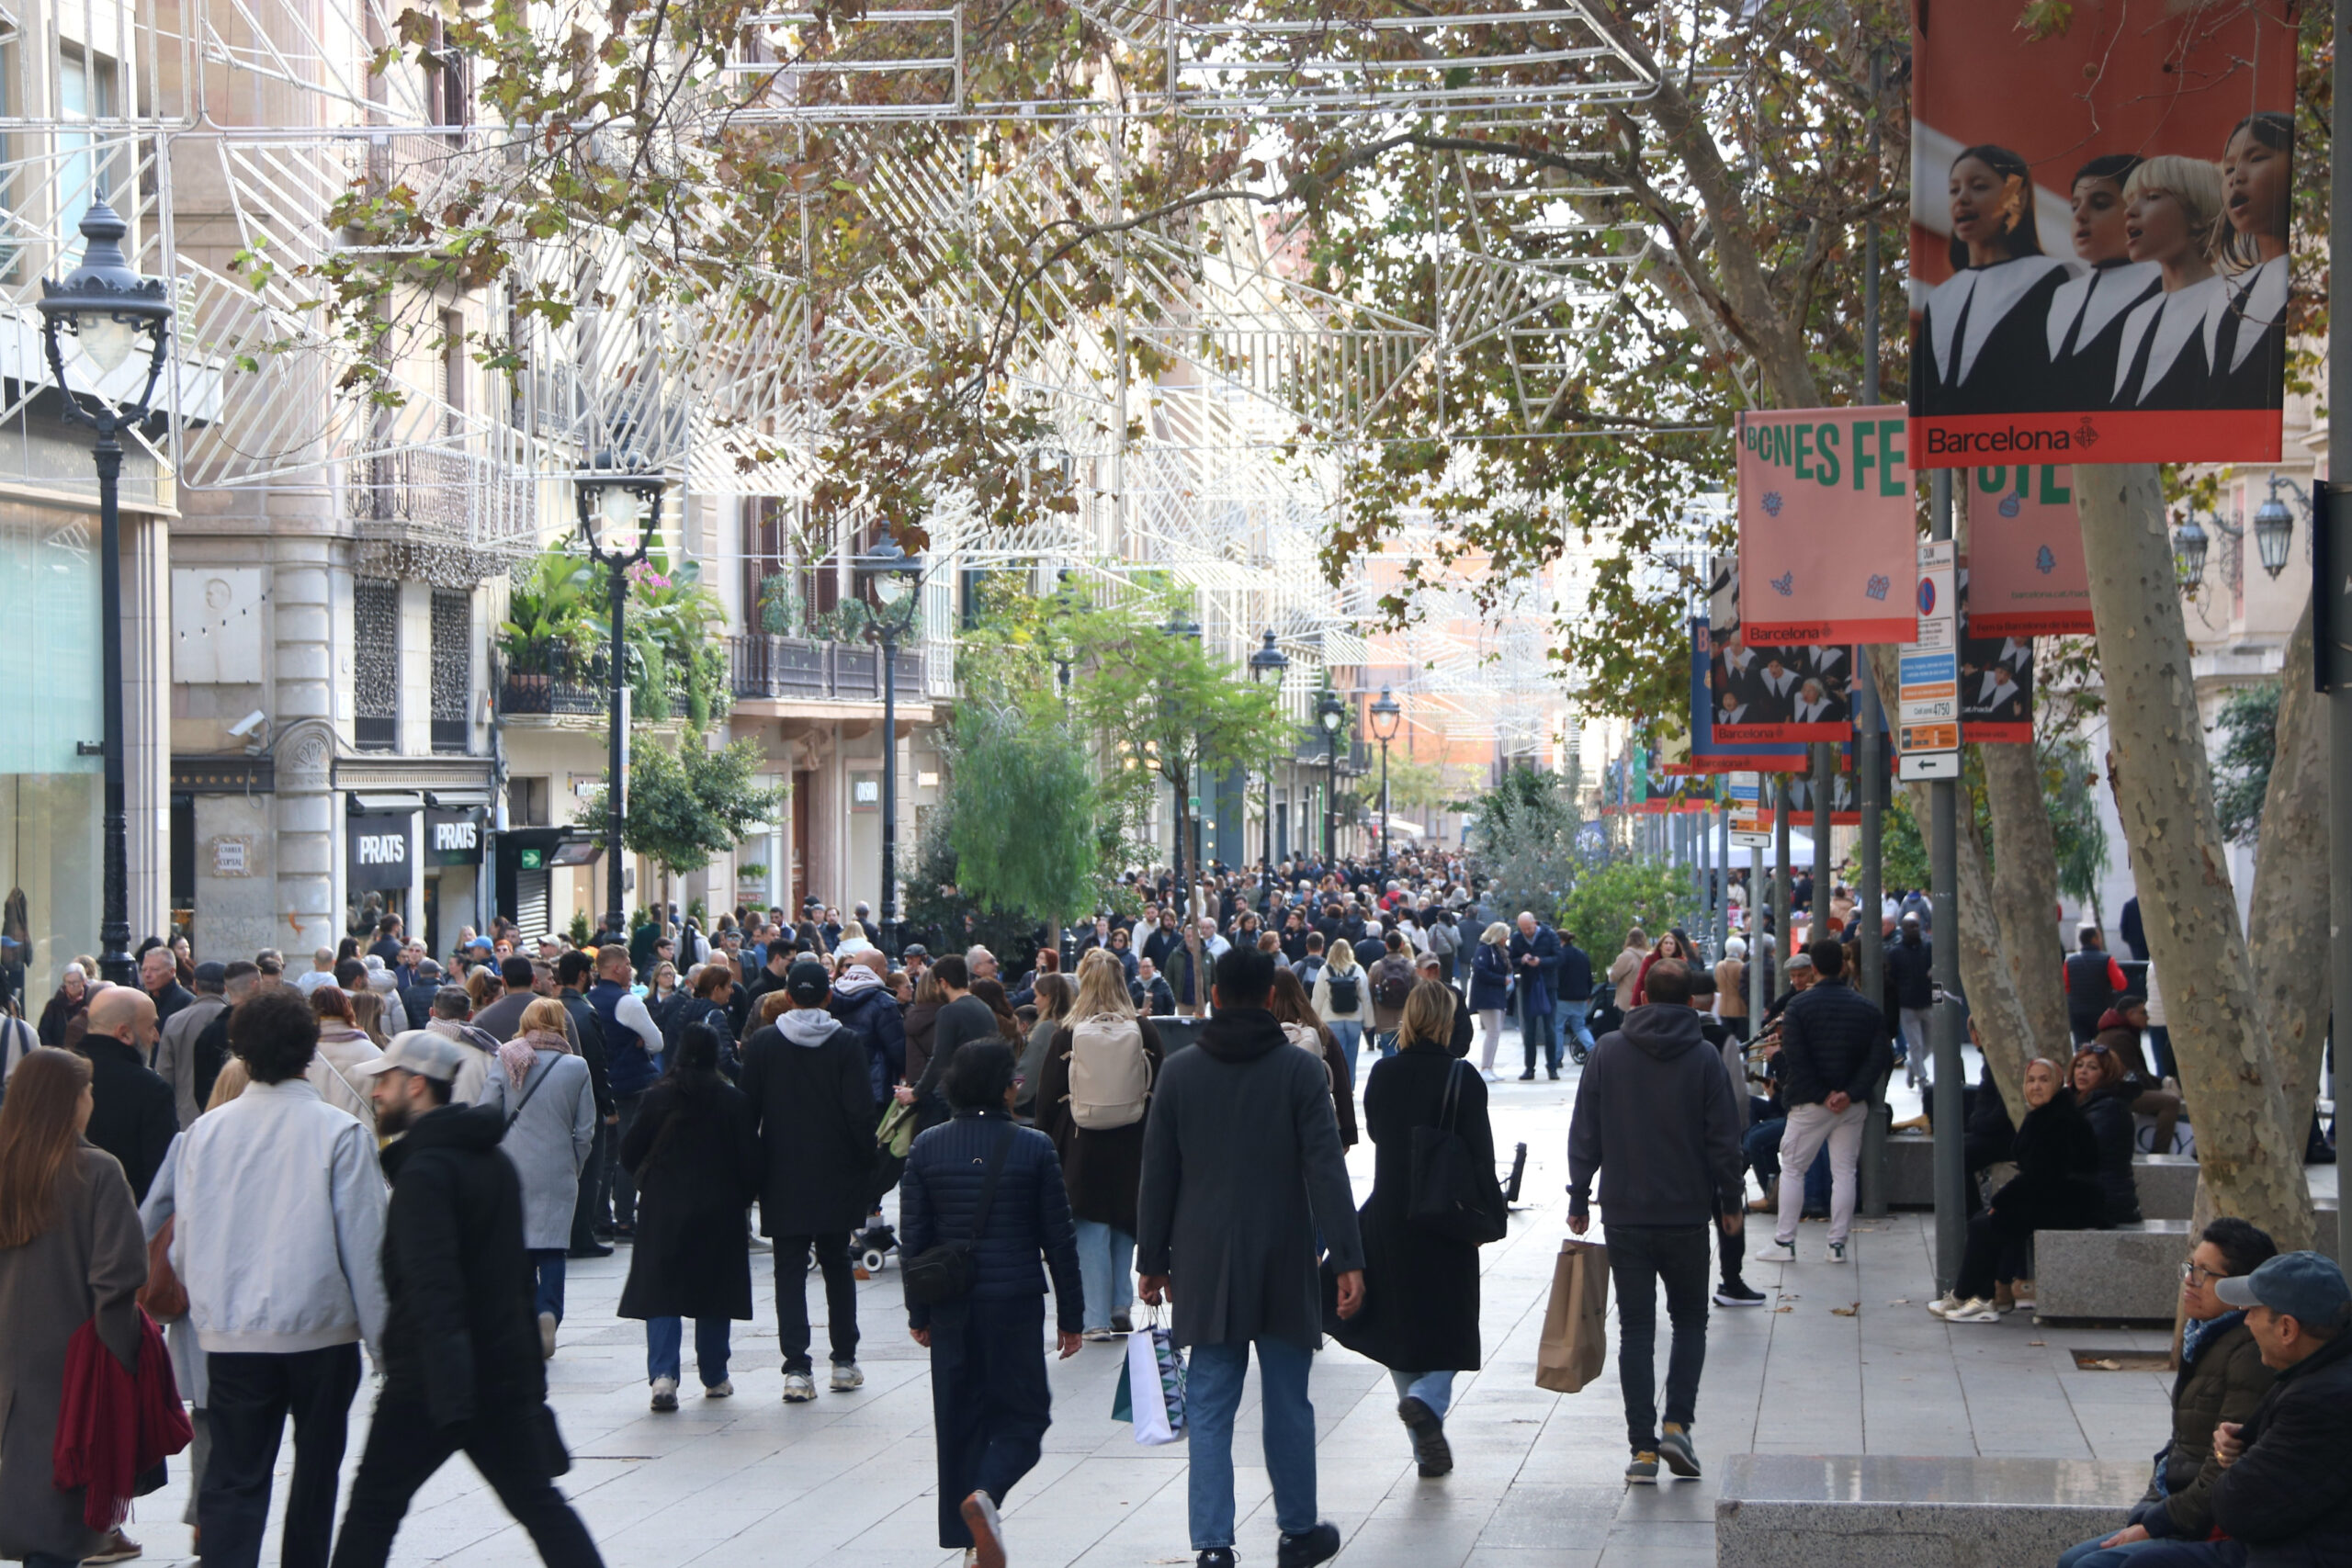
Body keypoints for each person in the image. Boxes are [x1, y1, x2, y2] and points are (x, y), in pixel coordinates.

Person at [329, 1032, 605, 1568]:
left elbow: (431, 1285)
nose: (377, 1093)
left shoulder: (425, 1173)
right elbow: (515, 1280)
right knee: (539, 1504)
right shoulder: (490, 1161)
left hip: (434, 1379)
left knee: (373, 1508)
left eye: (386, 1081)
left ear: (416, 1085)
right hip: (497, 1374)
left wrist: (445, 1388)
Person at [1136, 946, 1362, 1568]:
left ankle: (1213, 1545)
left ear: (1213, 996)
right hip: (1284, 1253)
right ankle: (1297, 1531)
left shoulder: (1180, 1072)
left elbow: (1158, 1173)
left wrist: (1152, 1258)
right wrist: (1348, 1256)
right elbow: (1326, 1168)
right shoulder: (1300, 1071)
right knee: (1289, 1398)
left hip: (1205, 1259)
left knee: (1210, 1403)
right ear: (1269, 997)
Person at [174, 986, 387, 1568]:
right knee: (316, 1474)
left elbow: (185, 1244)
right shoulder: (339, 1133)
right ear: (309, 1050)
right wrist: (384, 1347)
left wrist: (212, 1303)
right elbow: (365, 1250)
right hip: (321, 1332)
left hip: (233, 1334)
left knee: (234, 1474)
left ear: (241, 1051)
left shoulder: (204, 1134)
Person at [899, 1040, 1084, 1568]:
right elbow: (1059, 1240)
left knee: (958, 1419)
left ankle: (968, 1545)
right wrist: (1072, 1316)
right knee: (1025, 1418)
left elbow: (914, 1241)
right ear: (1006, 1088)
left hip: (951, 1305)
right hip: (1013, 1302)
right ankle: (987, 1493)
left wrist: (918, 1313)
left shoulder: (927, 1146)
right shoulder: (1034, 1147)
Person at [1567, 959, 1745, 1483]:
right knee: (1689, 1321)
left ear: (1641, 996)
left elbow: (1585, 1131)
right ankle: (1676, 1425)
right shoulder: (1704, 1057)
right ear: (1692, 1002)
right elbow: (1724, 1139)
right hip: (1686, 1213)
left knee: (1637, 1329)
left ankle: (1642, 1452)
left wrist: (1579, 1197)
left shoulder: (1607, 1051)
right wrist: (1730, 1201)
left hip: (1624, 1212)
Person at [1336, 978, 1500, 1480]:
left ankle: (1423, 1446)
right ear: (1449, 1021)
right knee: (1452, 1326)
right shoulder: (1462, 1077)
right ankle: (1428, 1399)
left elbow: (1378, 1134)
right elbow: (1480, 1153)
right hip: (1445, 1216)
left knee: (1402, 1328)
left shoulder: (1383, 1074)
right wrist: (1490, 1217)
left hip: (1389, 1213)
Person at [2054, 1218, 2278, 1568]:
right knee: (2072, 1560)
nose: (2189, 1280)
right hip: (2178, 1509)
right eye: (2190, 1267)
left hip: (2210, 1525)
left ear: (2239, 1289)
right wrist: (2148, 1513)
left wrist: (2154, 1524)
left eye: (2204, 1273)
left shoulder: (2249, 1354)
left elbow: (2221, 1469)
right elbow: (2178, 1447)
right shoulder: (2203, 1337)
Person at [0, 1047, 149, 1568]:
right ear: (69, 1100)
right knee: (57, 1522)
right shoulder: (97, 1171)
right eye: (87, 1090)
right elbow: (118, 1279)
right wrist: (125, 1359)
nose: (92, 1100)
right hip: (74, 1366)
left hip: (10, 1363)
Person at [742, 960, 876, 1402]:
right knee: (837, 1263)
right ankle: (844, 1361)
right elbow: (861, 1113)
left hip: (782, 1170)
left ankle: (797, 1368)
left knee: (788, 1268)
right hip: (836, 1169)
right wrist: (867, 1165)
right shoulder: (846, 1043)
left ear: (786, 996)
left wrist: (751, 1169)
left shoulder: (764, 1044)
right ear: (828, 996)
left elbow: (747, 1112)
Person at [617, 1021, 761, 1412]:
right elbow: (752, 1162)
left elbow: (629, 1152)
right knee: (715, 1291)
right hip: (719, 1208)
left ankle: (664, 1375)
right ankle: (714, 1375)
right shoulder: (733, 1101)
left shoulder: (657, 1097)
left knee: (661, 1289)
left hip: (664, 1206)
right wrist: (739, 1197)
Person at [1035, 953, 1167, 1341]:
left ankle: (1094, 1318)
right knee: (1125, 1221)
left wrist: (1047, 1142)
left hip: (1081, 1145)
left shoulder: (1067, 1033)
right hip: (1133, 1141)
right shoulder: (1143, 1030)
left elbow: (1047, 1098)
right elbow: (1161, 1085)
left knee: (1090, 1226)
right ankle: (1120, 1304)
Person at [1929, 1058, 2103, 1323]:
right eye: (2031, 1080)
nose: (2036, 1086)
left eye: (2044, 1080)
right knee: (1987, 1221)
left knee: (1988, 1223)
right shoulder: (2046, 1114)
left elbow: (2044, 1174)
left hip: (2074, 1203)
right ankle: (1975, 1296)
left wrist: (2002, 1201)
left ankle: (1976, 1298)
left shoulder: (2060, 1120)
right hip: (2056, 1196)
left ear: (2058, 1084)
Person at [1751, 940, 1890, 1269]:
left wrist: (1821, 1093)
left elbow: (1797, 1060)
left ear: (1813, 969)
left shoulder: (1799, 1007)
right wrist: (1850, 1093)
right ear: (1843, 966)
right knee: (1844, 1172)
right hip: (1852, 1104)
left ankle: (1785, 1241)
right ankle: (1837, 1245)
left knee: (1793, 1168)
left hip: (1809, 1104)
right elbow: (1879, 1057)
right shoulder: (1866, 1007)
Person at [477, 997, 597, 1360]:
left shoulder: (507, 1057)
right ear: (561, 1024)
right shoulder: (576, 1066)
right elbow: (585, 1130)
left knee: (521, 1246)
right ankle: (549, 1312)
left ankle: (526, 1315)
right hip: (558, 1167)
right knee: (553, 1247)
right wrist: (574, 1164)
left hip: (511, 1166)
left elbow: (487, 1114)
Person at [1912, 144, 2068, 416]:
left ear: (2015, 197)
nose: (1962, 199)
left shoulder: (2051, 279)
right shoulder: (1941, 299)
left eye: (1979, 187)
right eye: (1954, 190)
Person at [2110, 156, 2231, 410]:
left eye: (2152, 197)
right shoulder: (2137, 318)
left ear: (2198, 214)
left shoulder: (2232, 302)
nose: (2129, 212)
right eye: (2130, 201)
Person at [589, 945, 666, 1238]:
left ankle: (600, 1217)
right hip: (631, 1085)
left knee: (604, 1156)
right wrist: (639, 1042)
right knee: (628, 1154)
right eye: (628, 963)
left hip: (601, 1086)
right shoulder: (628, 1002)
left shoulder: (589, 1000)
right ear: (617, 968)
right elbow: (657, 1043)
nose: (631, 969)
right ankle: (623, 1218)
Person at [78, 984, 176, 1203]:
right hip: (127, 1215)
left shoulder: (55, 1074)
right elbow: (162, 1179)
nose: (156, 1037)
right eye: (151, 1027)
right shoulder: (151, 1089)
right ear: (124, 1033)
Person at [903, 954, 1000, 1131]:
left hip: (963, 1095)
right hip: (988, 1091)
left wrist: (916, 1093)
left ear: (943, 982)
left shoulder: (949, 1012)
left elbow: (940, 1058)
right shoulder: (983, 1007)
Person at [2097, 998, 2184, 1156]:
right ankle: (2160, 1153)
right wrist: (2162, 1085)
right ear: (2131, 1014)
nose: (2148, 1017)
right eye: (2144, 1013)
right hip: (2115, 1092)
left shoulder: (2118, 1033)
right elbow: (2133, 1075)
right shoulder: (2120, 1037)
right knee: (2170, 1102)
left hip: (2115, 1089)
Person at [2073, 1046, 2145, 1227]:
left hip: (2107, 1201)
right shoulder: (2083, 1102)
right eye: (2079, 1065)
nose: (2083, 1071)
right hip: (2093, 1193)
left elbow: (2082, 1153)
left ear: (2107, 1075)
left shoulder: (2109, 1108)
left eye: (2092, 1067)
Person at [153, 961, 228, 1129]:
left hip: (186, 1117)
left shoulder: (175, 1021)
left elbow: (164, 1074)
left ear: (195, 985)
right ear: (225, 988)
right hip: (226, 1115)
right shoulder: (235, 1020)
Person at [308, 986, 386, 1134]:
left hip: (316, 1138)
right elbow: (384, 1110)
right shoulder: (372, 1053)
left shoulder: (301, 1055)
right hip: (360, 1138)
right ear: (348, 1009)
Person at [1509, 911, 1563, 1080]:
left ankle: (1552, 1066)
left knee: (1550, 1028)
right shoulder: (1517, 938)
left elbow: (1559, 958)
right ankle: (1529, 1068)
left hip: (1547, 986)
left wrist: (1541, 961)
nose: (1527, 932)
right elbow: (1510, 961)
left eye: (1529, 928)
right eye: (1523, 929)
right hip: (1528, 986)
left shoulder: (1549, 935)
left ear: (1535, 923)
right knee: (1529, 1030)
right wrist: (1521, 960)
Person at [1309, 937, 1369, 1086]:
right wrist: (1369, 1022)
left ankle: (1337, 1086)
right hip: (1354, 1019)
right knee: (1352, 1056)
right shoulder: (1358, 969)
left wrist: (1313, 1021)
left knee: (1336, 1057)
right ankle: (1350, 1086)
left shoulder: (1325, 970)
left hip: (1331, 1019)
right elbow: (1365, 997)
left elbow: (1318, 998)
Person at [1015, 972, 1073, 1118]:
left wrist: (1012, 1093)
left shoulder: (1045, 1029)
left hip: (1039, 1109)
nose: (1034, 1001)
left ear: (1047, 997)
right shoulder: (1071, 1025)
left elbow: (1029, 1070)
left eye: (1037, 995)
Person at [2066, 926, 2131, 1046]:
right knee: (2103, 1046)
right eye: (2099, 937)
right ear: (2094, 940)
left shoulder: (2069, 962)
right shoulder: (2107, 960)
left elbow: (2066, 987)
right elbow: (2121, 985)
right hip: (2101, 1012)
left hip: (2077, 1013)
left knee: (2082, 1048)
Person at [1468, 920, 1514, 1079]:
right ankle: (1485, 1067)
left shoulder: (1501, 951)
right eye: (1504, 936)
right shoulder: (1484, 950)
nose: (1506, 939)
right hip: (1487, 996)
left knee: (1495, 1032)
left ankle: (1489, 1066)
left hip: (1498, 995)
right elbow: (1480, 970)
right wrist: (1501, 979)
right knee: (1493, 1032)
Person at [1364, 931, 1418, 1060]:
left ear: (1386, 945)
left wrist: (1371, 1017)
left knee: (1388, 1054)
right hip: (1405, 1018)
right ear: (1402, 945)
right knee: (1405, 1055)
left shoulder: (1376, 967)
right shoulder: (1411, 966)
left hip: (1384, 1018)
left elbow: (1369, 993)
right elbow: (1418, 992)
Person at [1556, 930, 1596, 1062]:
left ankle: (1557, 1058)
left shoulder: (1560, 955)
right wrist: (1588, 994)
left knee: (1557, 1027)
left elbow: (1557, 977)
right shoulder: (1582, 954)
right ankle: (1592, 1050)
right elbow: (1589, 976)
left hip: (1562, 997)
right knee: (1579, 1027)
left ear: (1560, 940)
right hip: (1581, 997)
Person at [36, 962, 91, 1045]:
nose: (71, 986)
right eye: (68, 982)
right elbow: (43, 1031)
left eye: (75, 982)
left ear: (84, 981)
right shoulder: (54, 1005)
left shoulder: (91, 1001)